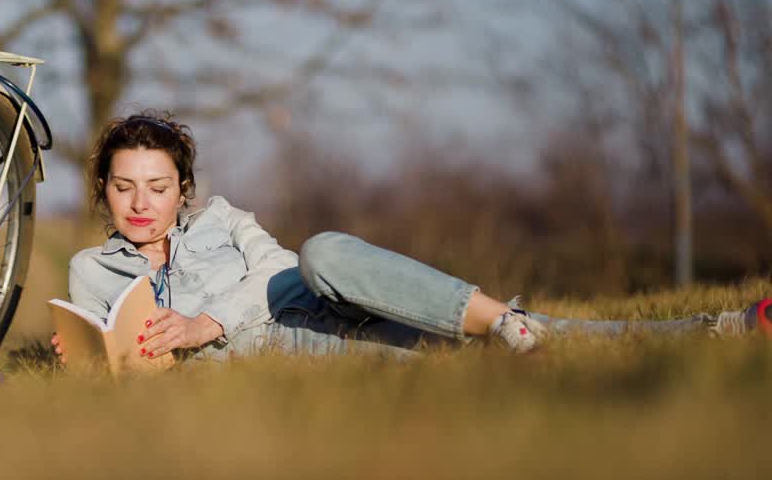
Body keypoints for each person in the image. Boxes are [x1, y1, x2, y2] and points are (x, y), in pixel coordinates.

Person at [51, 111, 772, 363]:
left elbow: (275, 270)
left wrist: (205, 322)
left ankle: (504, 322)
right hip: (305, 350)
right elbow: (118, 361)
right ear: (103, 192)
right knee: (514, 350)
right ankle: (717, 328)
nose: (140, 203)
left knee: (323, 249)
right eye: (123, 187)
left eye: (158, 186)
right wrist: (84, 356)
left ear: (183, 190)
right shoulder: (90, 269)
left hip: (323, 294)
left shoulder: (223, 220)